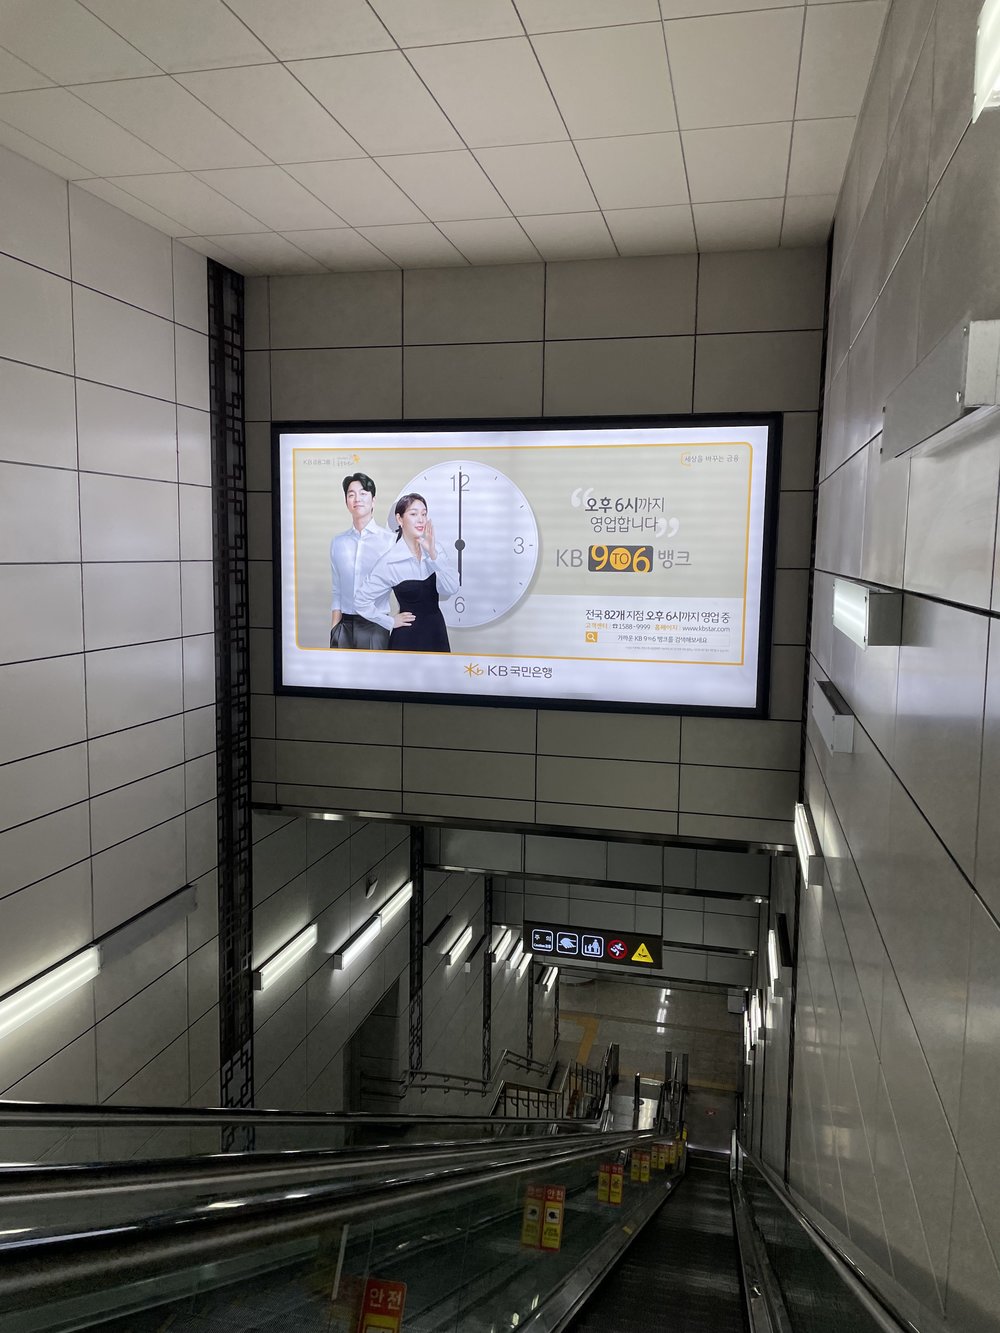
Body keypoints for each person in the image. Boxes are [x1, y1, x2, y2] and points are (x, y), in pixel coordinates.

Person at [356, 494, 459, 652]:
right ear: (399, 519)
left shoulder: (434, 549)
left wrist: (433, 556)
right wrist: (390, 622)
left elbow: (452, 588)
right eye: (413, 514)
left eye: (424, 514)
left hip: (436, 632)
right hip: (407, 638)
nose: (421, 519)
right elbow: (360, 601)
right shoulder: (389, 561)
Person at [328, 472, 395, 649]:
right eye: (351, 494)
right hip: (344, 626)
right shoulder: (338, 542)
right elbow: (337, 590)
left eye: (363, 493)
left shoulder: (389, 541)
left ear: (373, 500)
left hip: (375, 626)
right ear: (346, 502)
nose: (357, 498)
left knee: (373, 676)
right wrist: (335, 629)